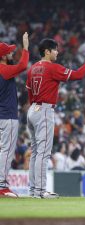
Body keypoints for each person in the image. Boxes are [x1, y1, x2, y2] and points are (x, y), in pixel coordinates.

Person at [26, 38, 85, 198]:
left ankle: (33, 190)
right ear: (47, 52)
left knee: (36, 152)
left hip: (33, 109)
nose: (57, 52)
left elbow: (29, 93)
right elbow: (78, 75)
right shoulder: (51, 67)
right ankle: (40, 191)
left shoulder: (32, 68)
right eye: (54, 49)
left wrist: (34, 106)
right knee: (43, 153)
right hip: (44, 110)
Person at [0, 32, 29, 197]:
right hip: (7, 117)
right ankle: (2, 186)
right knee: (7, 151)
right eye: (10, 52)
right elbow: (23, 65)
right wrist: (25, 48)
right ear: (3, 56)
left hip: (2, 115)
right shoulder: (3, 69)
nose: (12, 54)